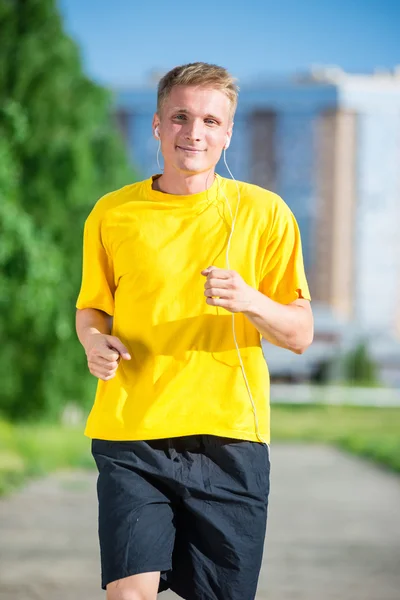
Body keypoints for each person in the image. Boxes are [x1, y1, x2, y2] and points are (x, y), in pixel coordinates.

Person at [75, 61, 313, 600]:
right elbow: (92, 309)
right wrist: (94, 342)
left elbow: (299, 333)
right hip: (131, 433)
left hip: (230, 439)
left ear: (228, 132)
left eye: (210, 120)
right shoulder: (113, 214)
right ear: (158, 125)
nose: (194, 132)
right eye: (180, 117)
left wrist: (249, 300)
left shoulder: (266, 214)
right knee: (127, 593)